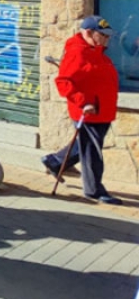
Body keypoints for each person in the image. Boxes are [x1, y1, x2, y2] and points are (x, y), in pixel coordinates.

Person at [44, 15, 122, 205]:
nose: (107, 39)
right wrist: (83, 101)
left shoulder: (95, 51)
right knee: (93, 152)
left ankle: (54, 162)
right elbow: (63, 82)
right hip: (89, 111)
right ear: (89, 33)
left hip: (102, 110)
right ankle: (94, 190)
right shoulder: (78, 53)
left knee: (85, 146)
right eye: (103, 35)